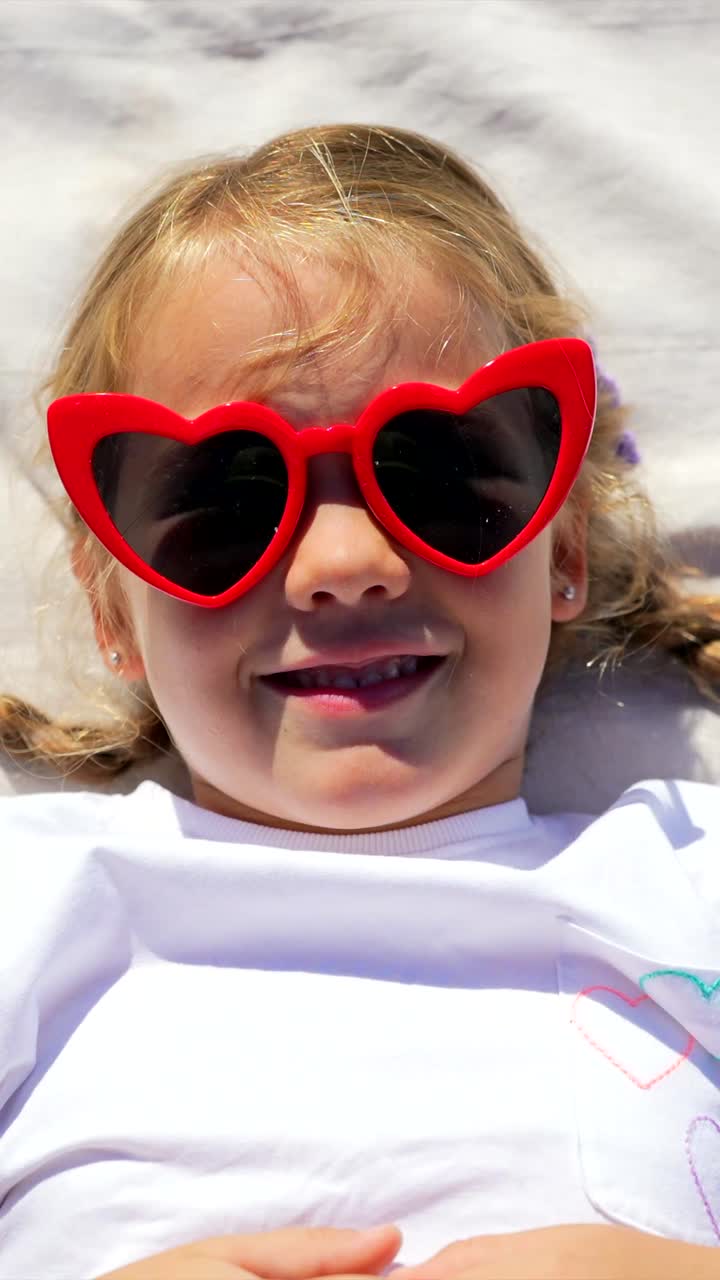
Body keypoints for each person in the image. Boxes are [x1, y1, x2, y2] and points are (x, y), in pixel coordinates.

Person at [1, 122, 719, 1280]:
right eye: (227, 499)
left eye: (438, 473)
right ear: (111, 609)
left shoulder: (688, 873)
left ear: (565, 545)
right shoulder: (31, 892)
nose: (343, 557)